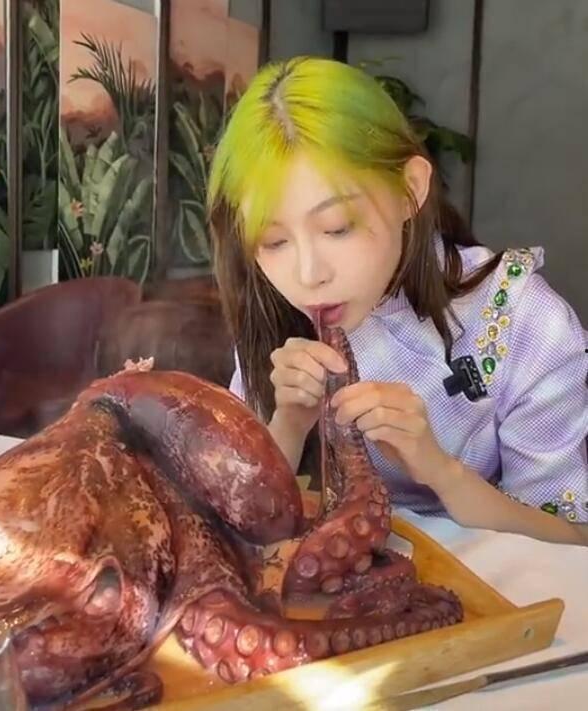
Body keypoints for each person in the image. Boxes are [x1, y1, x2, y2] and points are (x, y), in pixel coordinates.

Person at [207, 56, 588, 546]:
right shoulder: (274, 315)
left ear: (410, 189)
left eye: (337, 228)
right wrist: (288, 425)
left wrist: (441, 471)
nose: (308, 275)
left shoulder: (524, 320)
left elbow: (572, 538)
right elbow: (234, 523)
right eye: (273, 241)